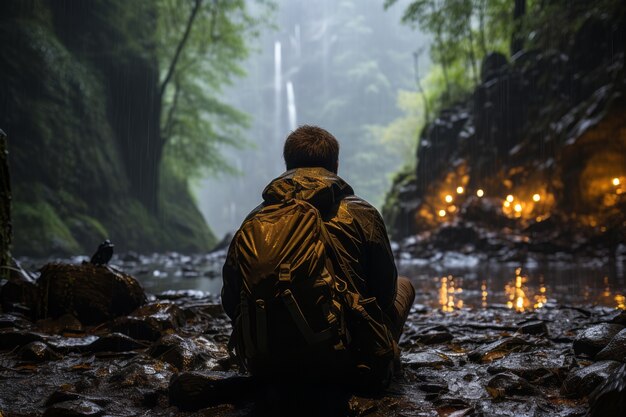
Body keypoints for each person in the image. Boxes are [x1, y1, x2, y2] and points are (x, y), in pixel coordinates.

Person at [221, 125, 415, 378]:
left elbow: (231, 300)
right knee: (404, 284)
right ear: (335, 166)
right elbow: (385, 292)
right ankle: (375, 358)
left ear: (287, 165)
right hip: (344, 362)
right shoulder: (362, 213)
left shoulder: (256, 218)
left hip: (268, 362)